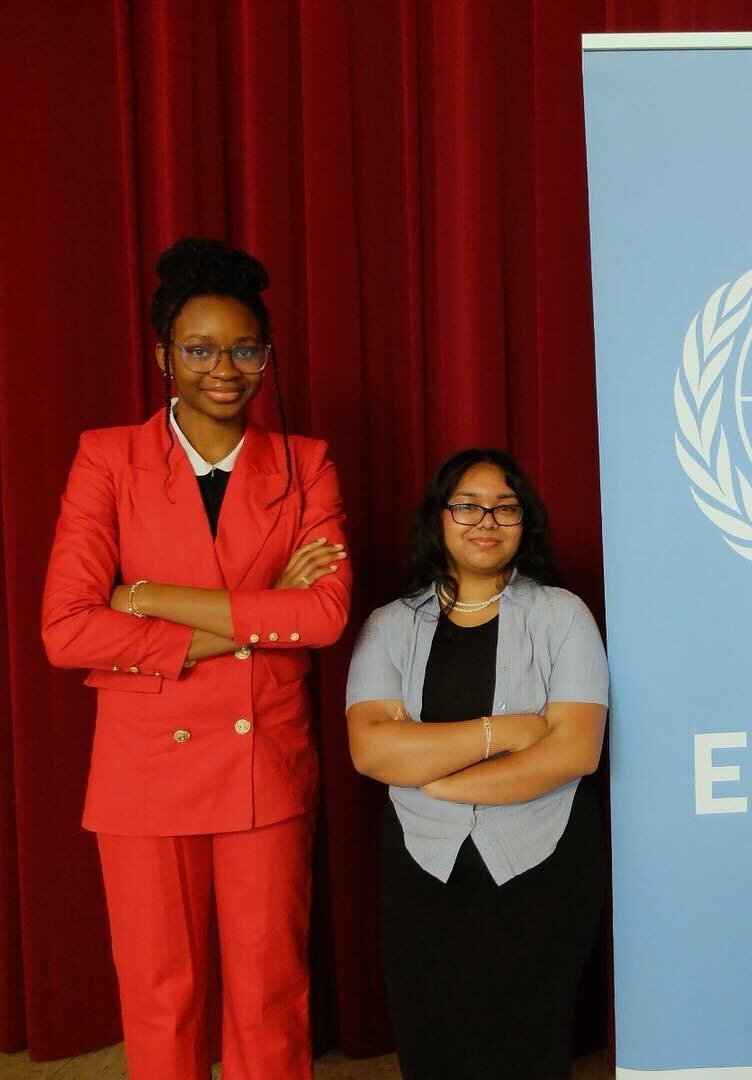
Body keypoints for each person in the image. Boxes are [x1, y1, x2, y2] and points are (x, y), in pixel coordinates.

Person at [40, 237, 352, 1080]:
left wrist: (144, 599)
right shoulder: (107, 457)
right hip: (145, 769)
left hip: (266, 763)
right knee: (161, 995)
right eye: (200, 349)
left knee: (269, 994)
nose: (225, 368)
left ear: (267, 355)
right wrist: (257, 620)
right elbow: (67, 630)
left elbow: (322, 615)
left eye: (244, 348)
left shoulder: (305, 462)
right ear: (163, 358)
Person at [345, 447, 608, 1080]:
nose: (485, 520)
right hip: (422, 863)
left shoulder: (564, 616)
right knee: (433, 1036)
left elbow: (576, 750)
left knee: (527, 1040)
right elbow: (371, 749)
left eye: (505, 507)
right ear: (438, 518)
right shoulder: (389, 626)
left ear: (526, 523)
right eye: (466, 504)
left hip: (540, 860)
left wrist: (433, 771)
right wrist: (507, 731)